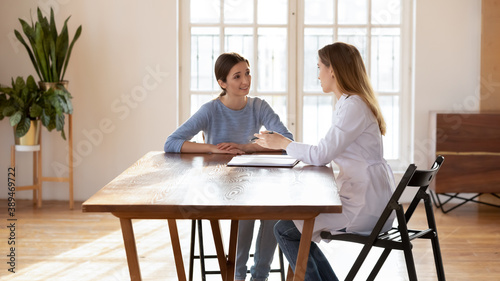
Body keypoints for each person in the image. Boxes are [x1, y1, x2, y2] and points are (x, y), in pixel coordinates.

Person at [253, 42, 396, 281]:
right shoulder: (350, 103)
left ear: (333, 70)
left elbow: (321, 154)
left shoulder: (354, 106)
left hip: (366, 207)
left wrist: (284, 144)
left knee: (285, 229)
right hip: (370, 199)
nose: (317, 74)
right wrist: (294, 148)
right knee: (297, 228)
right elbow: (325, 151)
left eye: (319, 67)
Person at [164, 52, 293, 281]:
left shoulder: (258, 106)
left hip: (255, 180)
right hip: (221, 184)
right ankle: (237, 274)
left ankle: (259, 276)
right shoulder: (211, 110)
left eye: (247, 73)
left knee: (274, 211)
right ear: (222, 83)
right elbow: (171, 143)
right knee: (248, 207)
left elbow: (287, 140)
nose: (245, 81)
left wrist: (247, 147)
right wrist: (212, 148)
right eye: (237, 76)